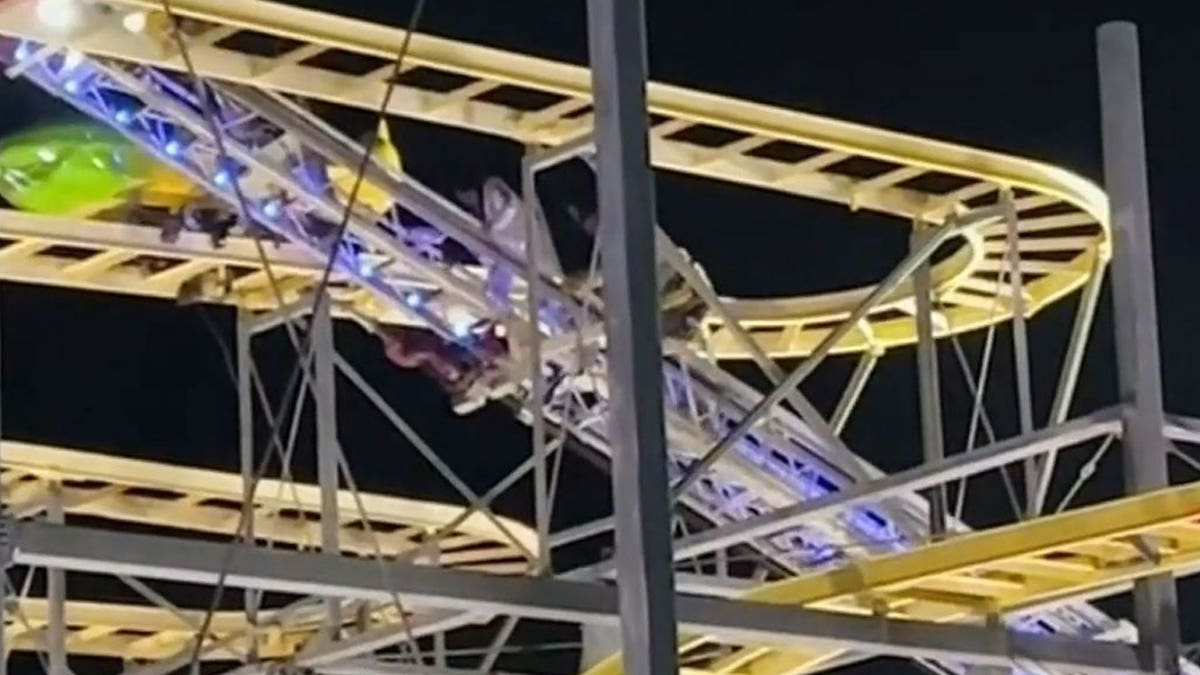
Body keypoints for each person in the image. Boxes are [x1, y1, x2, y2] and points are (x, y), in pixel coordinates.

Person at [376, 321, 514, 415]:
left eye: (452, 378)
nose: (453, 371)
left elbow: (381, 328)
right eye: (464, 370)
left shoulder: (405, 358)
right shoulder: (467, 351)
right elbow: (488, 336)